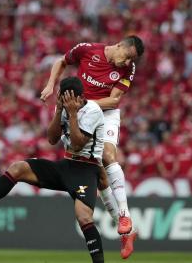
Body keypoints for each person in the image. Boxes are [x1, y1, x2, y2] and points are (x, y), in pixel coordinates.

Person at [0, 77, 106, 263]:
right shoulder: (63, 106)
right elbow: (52, 139)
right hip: (66, 164)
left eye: (72, 100)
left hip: (87, 168)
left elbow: (79, 145)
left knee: (83, 217)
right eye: (64, 99)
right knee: (18, 168)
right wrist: (60, 111)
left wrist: (72, 114)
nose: (69, 103)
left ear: (81, 97)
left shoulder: (93, 111)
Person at [40, 35, 144, 259]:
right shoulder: (87, 49)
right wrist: (50, 85)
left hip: (105, 113)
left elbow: (114, 101)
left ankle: (124, 215)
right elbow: (61, 61)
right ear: (119, 46)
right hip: (81, 111)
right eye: (126, 57)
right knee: (98, 173)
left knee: (108, 156)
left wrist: (80, 104)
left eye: (130, 61)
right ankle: (127, 233)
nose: (127, 64)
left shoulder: (128, 69)